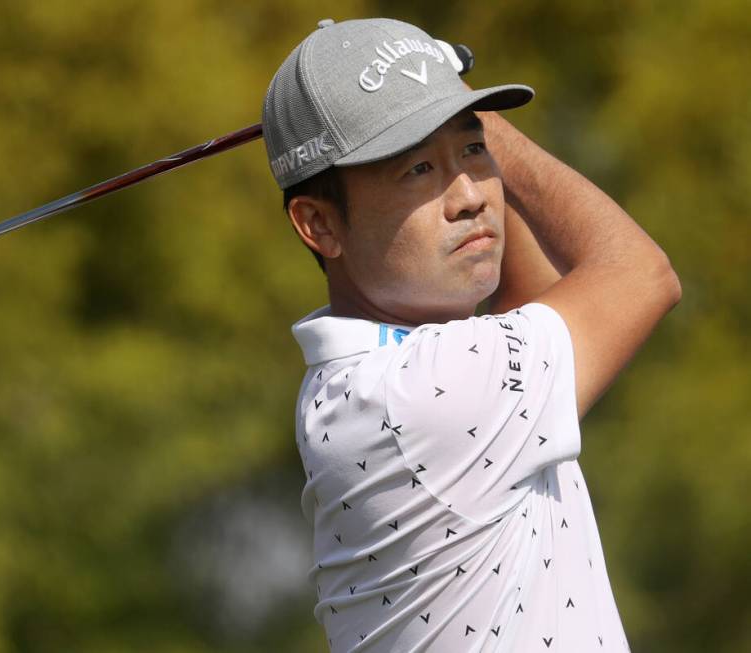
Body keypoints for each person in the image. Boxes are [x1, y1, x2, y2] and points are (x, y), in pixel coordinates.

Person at [261, 17, 681, 652]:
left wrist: (441, 107)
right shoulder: (425, 392)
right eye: (418, 169)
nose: (469, 197)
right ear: (319, 224)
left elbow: (535, 302)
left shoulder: (364, 382)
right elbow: (642, 276)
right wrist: (468, 114)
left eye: (472, 154)